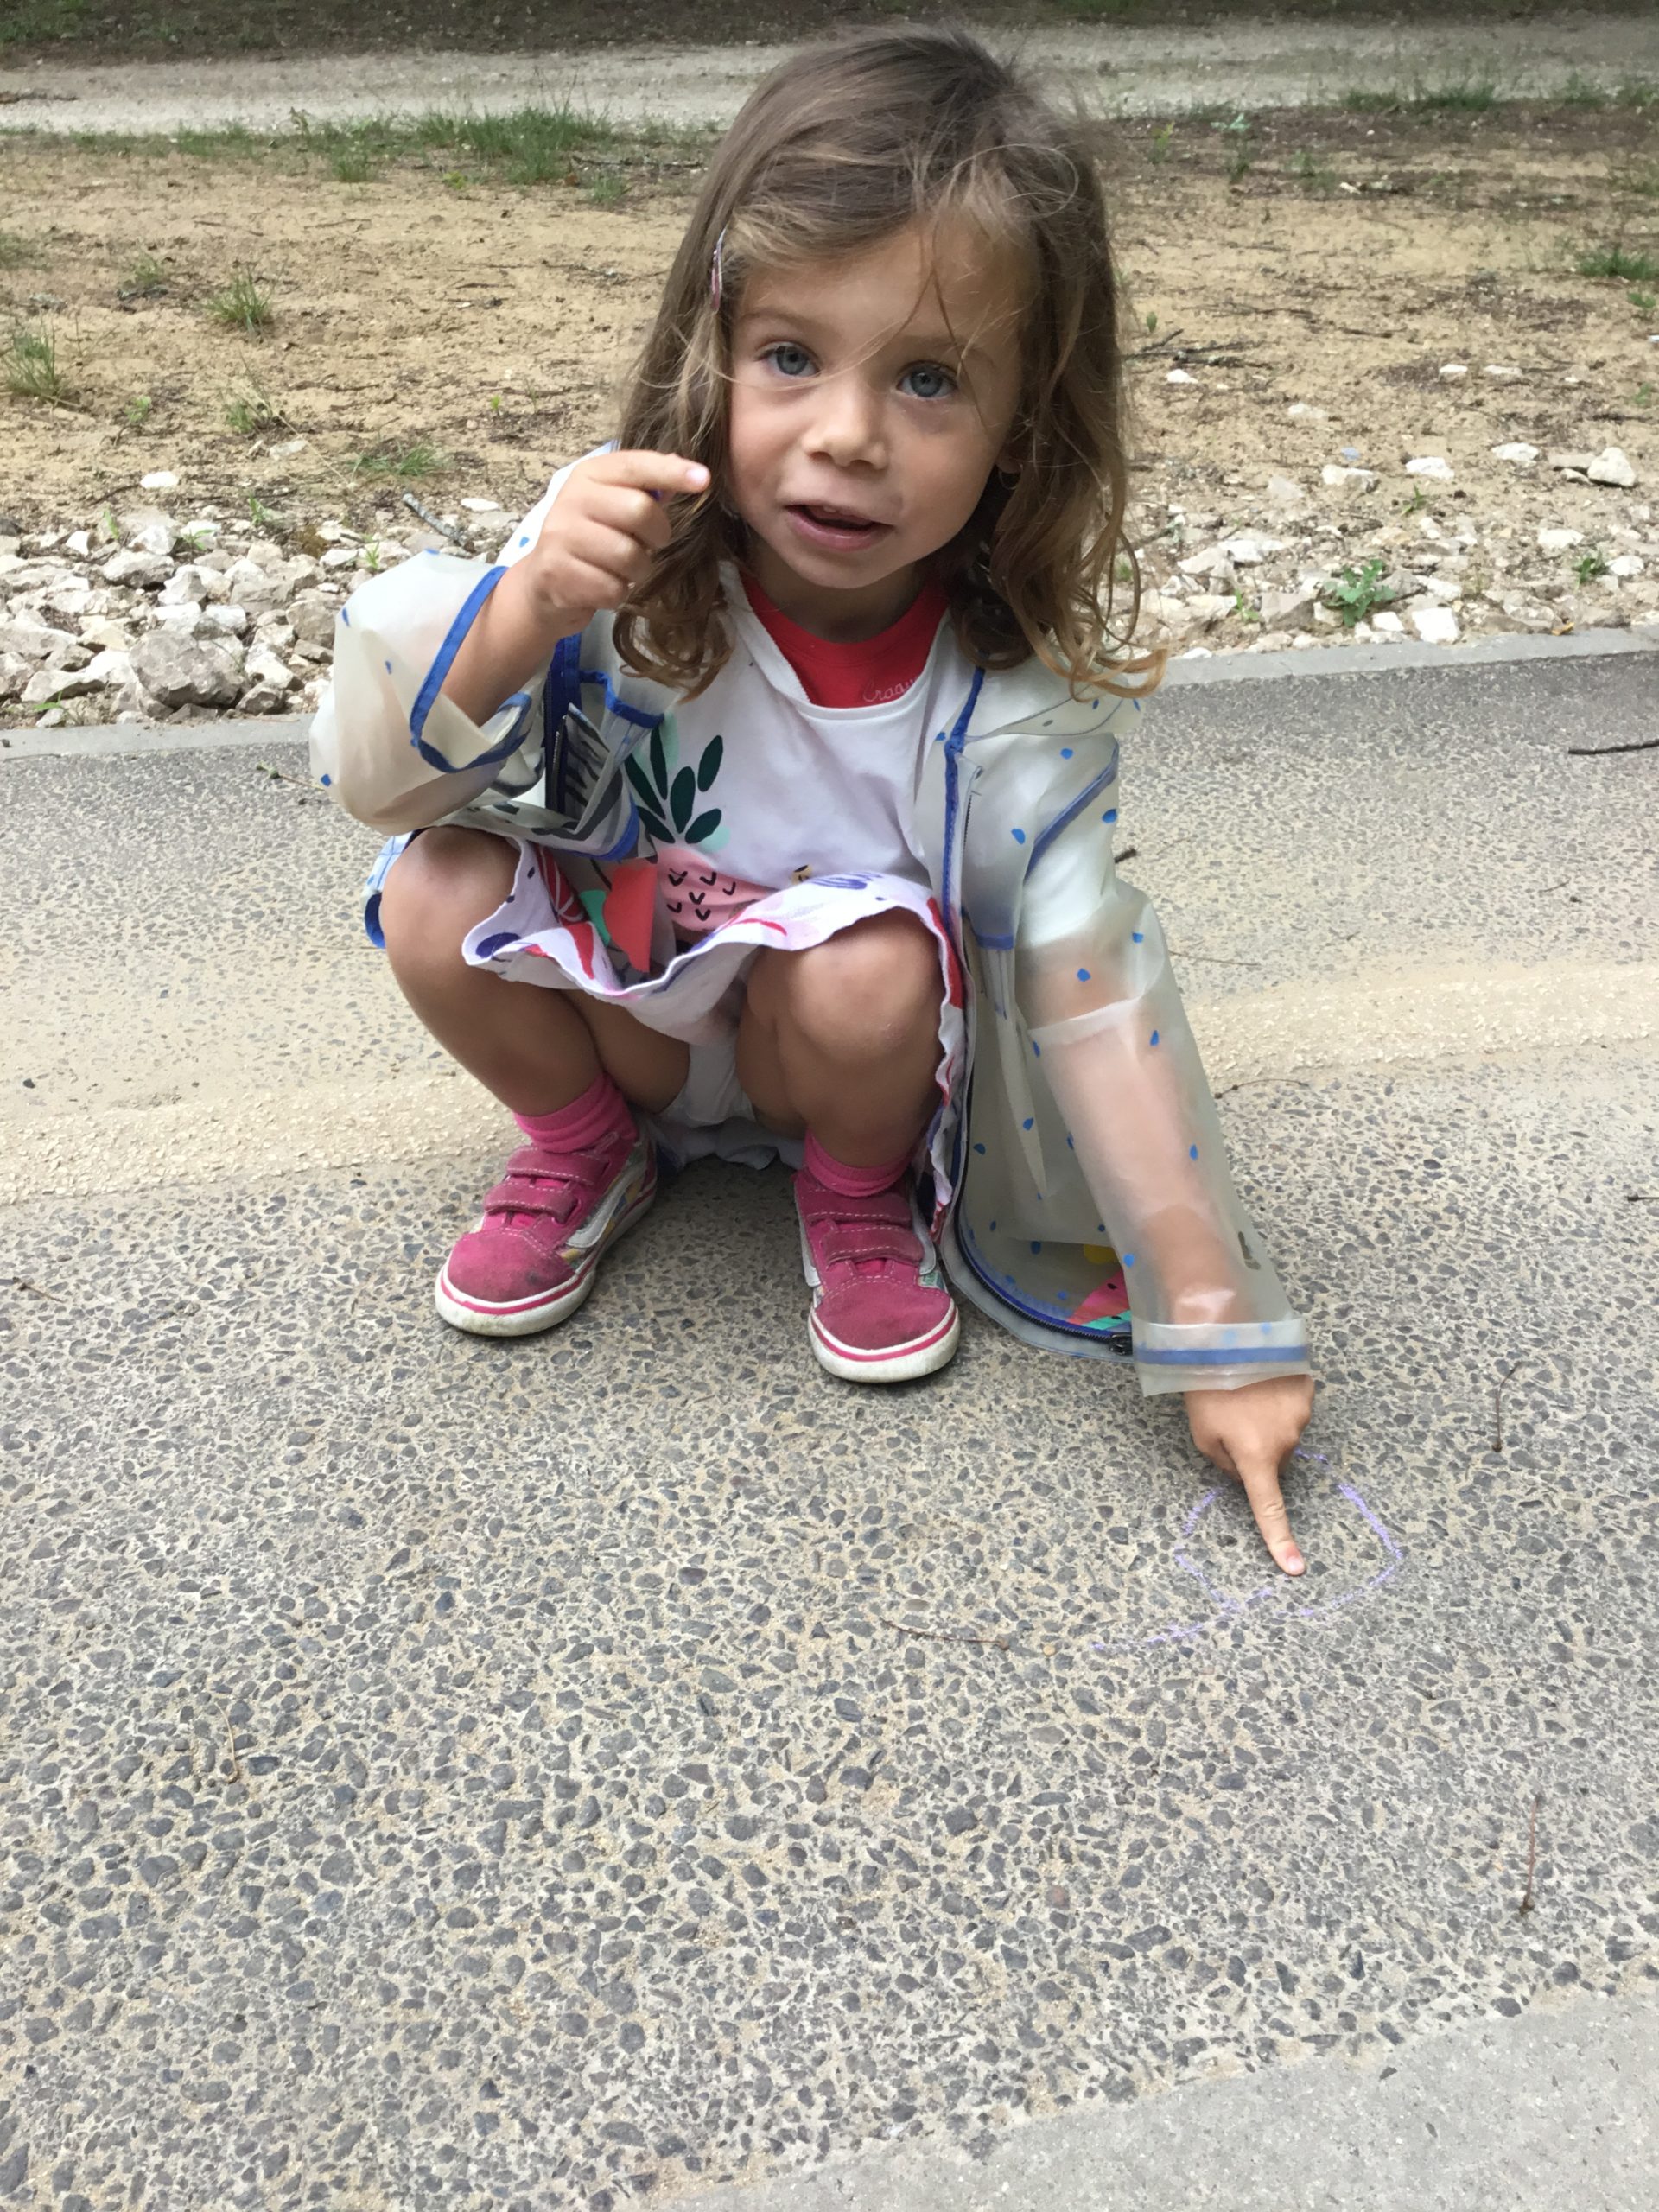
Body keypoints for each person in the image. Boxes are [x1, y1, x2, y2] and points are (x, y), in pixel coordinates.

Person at [312, 23, 1316, 1573]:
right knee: (441, 886)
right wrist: (522, 608)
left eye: (928, 378)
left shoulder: (1004, 704)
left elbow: (1094, 983)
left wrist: (1215, 1321)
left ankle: (856, 1201)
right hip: (631, 1026)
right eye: (790, 356)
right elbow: (378, 790)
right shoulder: (612, 560)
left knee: (870, 969)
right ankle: (586, 1142)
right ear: (710, 347)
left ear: (1025, 426)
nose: (847, 435)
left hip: (840, 1062)